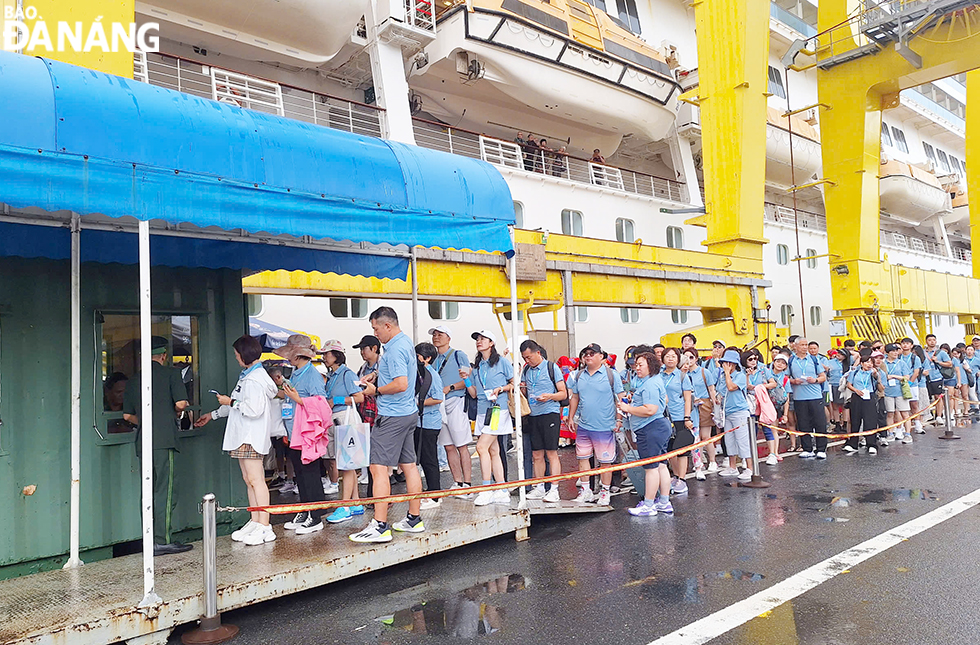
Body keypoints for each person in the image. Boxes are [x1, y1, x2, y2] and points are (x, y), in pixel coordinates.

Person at [351, 307, 425, 542]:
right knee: (409, 465)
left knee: (378, 468)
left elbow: (401, 383)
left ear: (387, 326)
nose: (375, 333)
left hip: (392, 416)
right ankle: (414, 518)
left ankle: (380, 525)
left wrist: (376, 390)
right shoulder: (405, 343)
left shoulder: (393, 350)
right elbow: (403, 378)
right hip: (408, 413)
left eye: (375, 328)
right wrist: (377, 376)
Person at [195, 335, 278, 545]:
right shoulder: (249, 376)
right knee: (249, 480)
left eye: (236, 354)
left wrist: (230, 401)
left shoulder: (255, 379)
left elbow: (252, 409)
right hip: (243, 434)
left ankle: (265, 525)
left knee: (256, 480)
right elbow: (238, 404)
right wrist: (214, 414)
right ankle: (255, 519)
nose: (236, 358)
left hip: (250, 435)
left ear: (244, 355)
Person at [122, 336, 191, 555]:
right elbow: (180, 403)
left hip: (144, 441)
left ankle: (149, 539)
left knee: (148, 491)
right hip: (165, 440)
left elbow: (127, 415)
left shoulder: (134, 379)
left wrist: (148, 421)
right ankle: (162, 540)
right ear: (163, 355)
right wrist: (176, 411)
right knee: (166, 490)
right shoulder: (171, 374)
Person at [275, 334, 329, 535]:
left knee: (310, 474)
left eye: (290, 354)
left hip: (307, 432)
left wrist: (298, 399)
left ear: (298, 356)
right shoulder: (297, 373)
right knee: (301, 473)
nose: (288, 358)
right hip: (295, 430)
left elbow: (321, 404)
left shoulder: (312, 375)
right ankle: (305, 510)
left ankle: (315, 516)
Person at [461, 329, 514, 507]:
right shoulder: (477, 367)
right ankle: (502, 489)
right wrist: (467, 379)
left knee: (481, 447)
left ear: (492, 343)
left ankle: (486, 488)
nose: (479, 341)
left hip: (498, 409)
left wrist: (501, 389)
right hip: (484, 410)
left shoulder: (502, 362)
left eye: (483, 339)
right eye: (477, 339)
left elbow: (515, 382)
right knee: (493, 451)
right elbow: (474, 394)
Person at [567, 343, 625, 506]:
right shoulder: (578, 376)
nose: (588, 356)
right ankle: (586, 490)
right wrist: (571, 417)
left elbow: (620, 398)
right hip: (584, 425)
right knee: (583, 458)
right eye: (585, 353)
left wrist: (619, 419)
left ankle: (605, 491)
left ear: (602, 356)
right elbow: (575, 398)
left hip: (605, 426)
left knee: (605, 461)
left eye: (592, 353)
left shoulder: (611, 375)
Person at [618, 351, 673, 516]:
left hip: (651, 428)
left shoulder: (650, 384)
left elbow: (651, 409)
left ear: (651, 365)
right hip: (658, 427)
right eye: (636, 364)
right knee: (661, 465)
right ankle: (664, 501)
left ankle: (649, 505)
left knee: (651, 468)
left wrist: (628, 408)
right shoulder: (653, 381)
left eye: (641, 364)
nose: (637, 367)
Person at [318, 341, 367, 524]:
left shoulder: (346, 374)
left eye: (327, 354)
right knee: (349, 464)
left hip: (345, 418)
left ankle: (345, 505)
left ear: (336, 355)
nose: (324, 357)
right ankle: (355, 503)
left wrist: (336, 399)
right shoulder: (332, 375)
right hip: (339, 419)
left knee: (346, 464)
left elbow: (359, 397)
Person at [431, 326, 475, 498]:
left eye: (439, 334)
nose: (436, 337)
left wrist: (450, 388)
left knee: (462, 445)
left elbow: (467, 380)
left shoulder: (458, 355)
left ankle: (468, 484)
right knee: (448, 446)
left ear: (448, 338)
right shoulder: (434, 359)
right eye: (434, 335)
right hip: (441, 405)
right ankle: (457, 482)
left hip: (456, 401)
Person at [520, 339, 566, 503]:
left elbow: (563, 393)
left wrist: (549, 396)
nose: (527, 361)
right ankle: (539, 486)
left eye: (529, 357)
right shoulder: (526, 369)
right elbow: (524, 389)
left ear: (538, 353)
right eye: (524, 358)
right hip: (533, 414)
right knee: (536, 453)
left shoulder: (551, 367)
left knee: (551, 453)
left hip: (549, 413)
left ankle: (554, 489)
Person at [415, 342, 445, 510]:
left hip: (429, 423)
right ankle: (428, 491)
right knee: (422, 459)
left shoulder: (432, 375)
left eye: (418, 356)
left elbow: (438, 398)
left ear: (427, 358)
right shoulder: (420, 374)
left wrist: (418, 403)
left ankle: (435, 495)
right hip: (420, 422)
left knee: (430, 459)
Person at [715, 349, 753, 481]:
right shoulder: (722, 377)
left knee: (742, 440)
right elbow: (720, 390)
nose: (727, 365)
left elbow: (731, 387)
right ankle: (732, 467)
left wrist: (726, 374)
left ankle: (749, 468)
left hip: (740, 411)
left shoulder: (740, 375)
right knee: (729, 440)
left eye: (729, 363)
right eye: (725, 362)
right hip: (727, 412)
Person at [660, 348, 694, 494]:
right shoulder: (658, 376)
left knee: (682, 448)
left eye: (674, 356)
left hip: (679, 416)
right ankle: (675, 476)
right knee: (670, 448)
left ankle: (682, 479)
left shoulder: (682, 376)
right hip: (663, 416)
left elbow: (687, 399)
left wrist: (687, 417)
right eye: (667, 356)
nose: (670, 359)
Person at [788, 336, 828, 459]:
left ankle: (821, 449)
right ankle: (807, 448)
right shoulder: (791, 360)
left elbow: (823, 377)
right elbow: (785, 378)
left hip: (815, 395)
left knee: (820, 422)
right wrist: (793, 381)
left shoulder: (814, 359)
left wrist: (815, 380)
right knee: (803, 423)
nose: (805, 347)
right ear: (795, 346)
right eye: (802, 345)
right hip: (799, 396)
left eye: (806, 345)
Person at [683, 348, 718, 480]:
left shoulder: (704, 372)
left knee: (705, 436)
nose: (689, 361)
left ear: (696, 358)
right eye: (685, 358)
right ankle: (699, 461)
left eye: (691, 357)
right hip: (691, 406)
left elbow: (711, 389)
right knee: (694, 437)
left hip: (703, 405)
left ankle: (713, 460)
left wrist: (714, 406)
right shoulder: (683, 373)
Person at [354, 335, 382, 487]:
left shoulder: (383, 365)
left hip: (380, 411)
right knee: (365, 443)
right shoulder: (363, 368)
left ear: (374, 348)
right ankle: (366, 474)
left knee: (376, 447)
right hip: (365, 410)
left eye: (363, 348)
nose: (362, 352)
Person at [744, 350, 779, 466]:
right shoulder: (742, 371)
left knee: (767, 428)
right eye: (750, 359)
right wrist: (747, 376)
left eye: (755, 358)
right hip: (749, 402)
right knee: (751, 430)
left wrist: (760, 387)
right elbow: (744, 386)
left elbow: (773, 383)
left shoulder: (763, 369)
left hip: (763, 402)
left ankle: (772, 454)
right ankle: (750, 456)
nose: (754, 361)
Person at [842, 353, 882, 455]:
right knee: (855, 420)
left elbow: (876, 378)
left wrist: (875, 373)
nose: (869, 364)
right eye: (866, 362)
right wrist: (856, 390)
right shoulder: (855, 372)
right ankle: (853, 444)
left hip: (869, 397)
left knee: (870, 421)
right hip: (857, 397)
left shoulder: (873, 372)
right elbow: (849, 384)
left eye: (871, 362)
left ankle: (871, 444)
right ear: (861, 363)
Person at [882, 343, 913, 444]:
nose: (895, 353)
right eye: (893, 351)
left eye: (896, 351)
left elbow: (907, 377)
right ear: (887, 353)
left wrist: (894, 376)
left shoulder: (901, 363)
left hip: (900, 391)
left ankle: (907, 434)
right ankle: (890, 433)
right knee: (890, 413)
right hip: (887, 391)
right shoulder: (883, 363)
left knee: (904, 413)